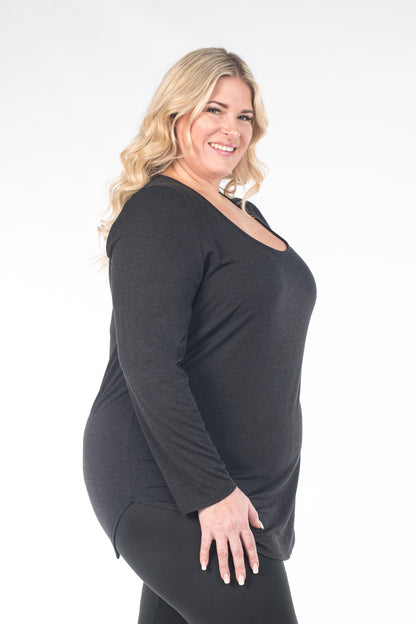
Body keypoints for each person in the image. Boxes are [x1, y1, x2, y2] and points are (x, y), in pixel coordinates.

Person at [83, 47, 317, 623]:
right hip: (169, 479)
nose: (231, 129)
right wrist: (210, 492)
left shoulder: (244, 215)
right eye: (214, 109)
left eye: (244, 116)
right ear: (175, 114)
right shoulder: (160, 212)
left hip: (234, 484)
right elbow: (150, 365)